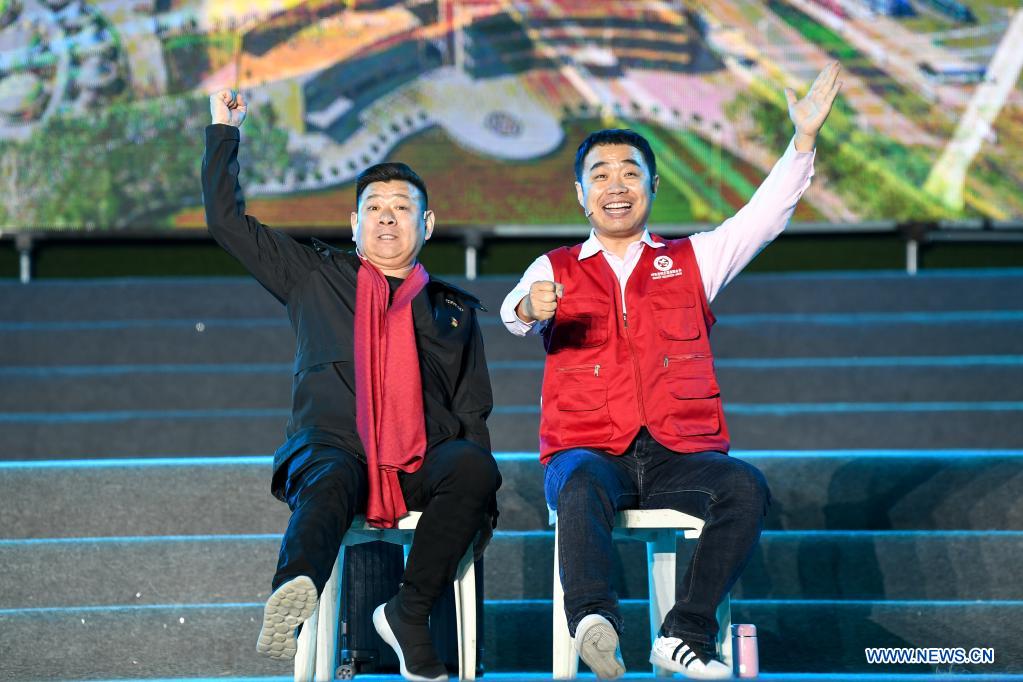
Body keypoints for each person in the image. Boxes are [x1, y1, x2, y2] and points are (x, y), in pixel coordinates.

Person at [500, 63, 842, 679]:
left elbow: (763, 218)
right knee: (577, 483)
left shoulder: (694, 258)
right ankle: (593, 623)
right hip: (589, 451)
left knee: (745, 487)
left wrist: (803, 142)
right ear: (581, 195)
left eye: (631, 172)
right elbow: (512, 312)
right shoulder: (554, 265)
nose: (616, 184)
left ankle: (683, 635)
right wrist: (530, 306)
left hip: (677, 452)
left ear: (653, 185)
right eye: (600, 175)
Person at [203, 89, 499, 682]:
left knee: (473, 466)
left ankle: (408, 612)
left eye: (401, 207)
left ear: (427, 223)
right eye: (374, 208)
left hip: (418, 460)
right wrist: (223, 132)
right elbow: (226, 222)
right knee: (334, 476)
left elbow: (472, 414)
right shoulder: (314, 275)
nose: (387, 217)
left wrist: (478, 510)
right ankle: (295, 591)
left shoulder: (454, 311)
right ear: (355, 224)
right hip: (334, 445)